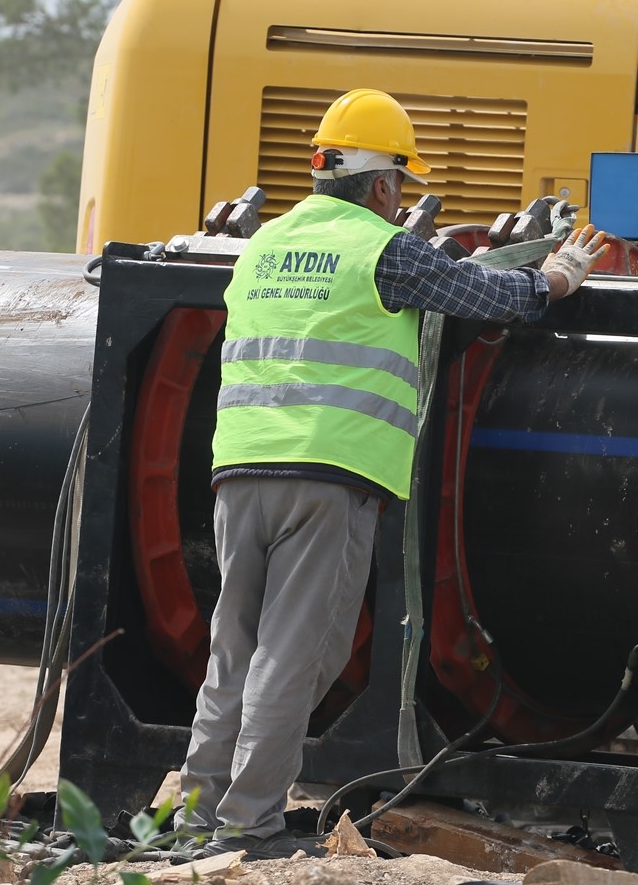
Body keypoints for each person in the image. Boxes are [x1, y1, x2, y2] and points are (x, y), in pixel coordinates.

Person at [177, 88, 608, 860]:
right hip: (328, 472)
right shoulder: (384, 248)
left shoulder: (265, 245)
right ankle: (249, 827)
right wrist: (559, 276)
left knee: (233, 652)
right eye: (400, 184)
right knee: (297, 652)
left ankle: (194, 820)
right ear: (382, 185)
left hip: (238, 470)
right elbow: (488, 296)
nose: (399, 198)